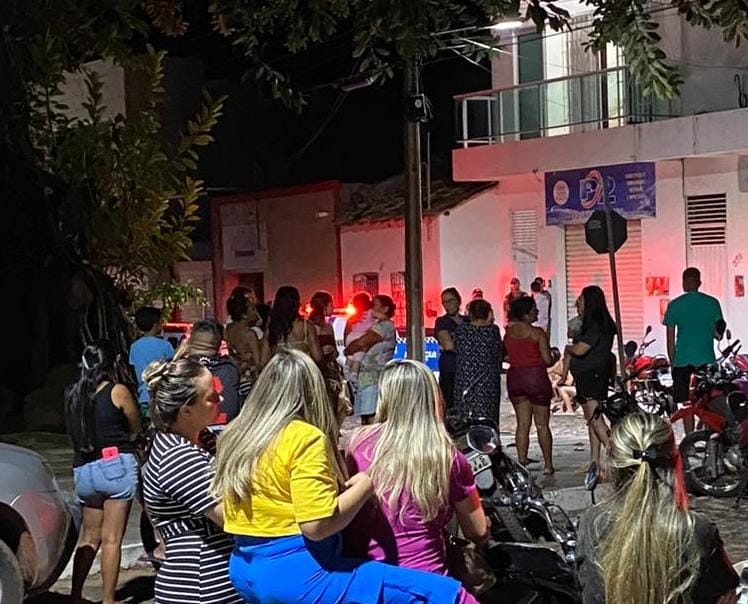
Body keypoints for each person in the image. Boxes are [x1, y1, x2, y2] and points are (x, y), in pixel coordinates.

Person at [211, 349, 472, 604]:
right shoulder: (304, 438)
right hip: (300, 573)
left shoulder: (237, 436)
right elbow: (316, 526)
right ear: (312, 393)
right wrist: (368, 482)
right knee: (445, 593)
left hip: (244, 566)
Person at [345, 359, 488, 585]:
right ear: (434, 398)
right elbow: (477, 531)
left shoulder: (357, 443)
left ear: (386, 397)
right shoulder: (445, 456)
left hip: (367, 580)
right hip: (427, 582)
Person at [576, 412, 739, 604]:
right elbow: (726, 594)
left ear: (613, 461)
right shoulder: (696, 529)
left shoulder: (591, 523)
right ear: (673, 460)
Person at [141, 358, 243, 604]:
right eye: (211, 397)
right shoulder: (177, 457)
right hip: (199, 588)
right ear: (186, 410)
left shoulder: (201, 439)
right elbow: (233, 517)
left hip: (217, 583)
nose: (221, 399)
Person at [65, 342, 141, 604]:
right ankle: (108, 600)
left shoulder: (72, 393)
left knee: (88, 537)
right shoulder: (117, 391)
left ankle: (76, 595)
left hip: (84, 468)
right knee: (111, 539)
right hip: (114, 465)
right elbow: (135, 425)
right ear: (112, 362)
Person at [558, 286, 616, 473]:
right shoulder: (597, 323)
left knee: (595, 419)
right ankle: (594, 462)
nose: (579, 304)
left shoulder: (595, 326)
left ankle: (617, 459)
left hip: (591, 375)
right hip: (593, 374)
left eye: (582, 300)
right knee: (592, 419)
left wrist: (568, 348)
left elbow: (581, 349)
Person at [664, 267, 724, 434]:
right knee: (709, 402)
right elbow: (718, 335)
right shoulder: (712, 303)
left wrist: (672, 363)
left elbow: (670, 339)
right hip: (707, 361)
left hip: (682, 361)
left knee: (686, 404)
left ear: (684, 283)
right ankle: (710, 437)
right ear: (699, 282)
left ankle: (690, 438)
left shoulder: (674, 305)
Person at [504, 296, 556, 474]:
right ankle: (548, 465)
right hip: (536, 378)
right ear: (525, 314)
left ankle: (521, 461)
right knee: (542, 424)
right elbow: (547, 360)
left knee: (522, 424)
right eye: (534, 310)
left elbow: (507, 355)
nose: (537, 312)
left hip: (515, 377)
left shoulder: (508, 334)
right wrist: (554, 356)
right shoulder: (537, 333)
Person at [344, 294, 398, 424]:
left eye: (375, 305)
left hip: (374, 377)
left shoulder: (385, 326)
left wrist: (350, 348)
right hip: (364, 377)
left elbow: (363, 342)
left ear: (385, 308)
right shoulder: (374, 324)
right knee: (364, 416)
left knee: (371, 415)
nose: (371, 308)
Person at [178, 319, 241, 422]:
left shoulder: (179, 369)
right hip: (226, 428)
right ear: (219, 344)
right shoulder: (230, 370)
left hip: (189, 428)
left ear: (190, 341)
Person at [454, 299, 503, 422]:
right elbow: (497, 353)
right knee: (487, 418)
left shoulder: (461, 330)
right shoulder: (492, 331)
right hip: (487, 381)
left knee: (465, 418)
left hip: (464, 380)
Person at [260, 285, 323, 366]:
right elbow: (318, 357)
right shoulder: (307, 327)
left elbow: (263, 360)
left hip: (280, 371)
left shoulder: (272, 328)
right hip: (302, 370)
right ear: (296, 304)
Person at [129, 306, 174, 416]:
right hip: (163, 396)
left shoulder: (134, 347)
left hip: (144, 396)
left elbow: (133, 371)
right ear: (155, 325)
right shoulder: (165, 345)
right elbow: (173, 367)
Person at [309, 290, 345, 417]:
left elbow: (335, 349)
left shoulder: (329, 326)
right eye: (331, 304)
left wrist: (333, 351)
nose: (333, 307)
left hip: (329, 368)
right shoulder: (309, 326)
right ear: (324, 306)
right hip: (316, 368)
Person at [435, 287, 468, 413]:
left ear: (458, 301)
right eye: (444, 302)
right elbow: (448, 345)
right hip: (450, 368)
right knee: (450, 404)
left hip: (467, 369)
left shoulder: (468, 321)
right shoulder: (442, 322)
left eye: (450, 300)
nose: (447, 305)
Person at [225, 291, 262, 395]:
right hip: (249, 379)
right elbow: (258, 363)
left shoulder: (228, 330)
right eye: (252, 309)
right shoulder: (249, 334)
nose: (255, 312)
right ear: (244, 315)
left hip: (234, 376)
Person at [344, 292, 375, 387]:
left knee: (350, 357)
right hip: (361, 339)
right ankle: (354, 375)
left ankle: (347, 370)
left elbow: (346, 333)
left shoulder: (352, 317)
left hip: (350, 338)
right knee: (358, 358)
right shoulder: (372, 314)